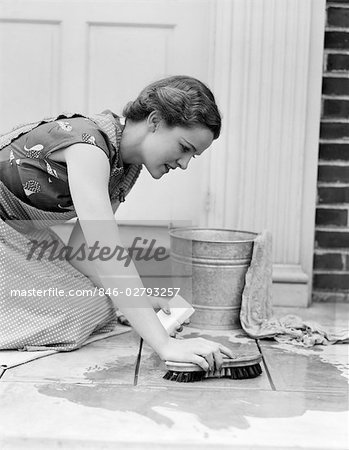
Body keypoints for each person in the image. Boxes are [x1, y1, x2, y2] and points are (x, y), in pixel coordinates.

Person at [0, 75, 234, 371]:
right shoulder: (90, 147)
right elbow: (107, 252)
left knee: (96, 306)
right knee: (67, 314)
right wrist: (164, 344)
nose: (185, 163)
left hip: (17, 234)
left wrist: (141, 299)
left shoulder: (125, 165)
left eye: (193, 156)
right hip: (8, 232)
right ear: (155, 121)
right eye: (184, 147)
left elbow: (80, 248)